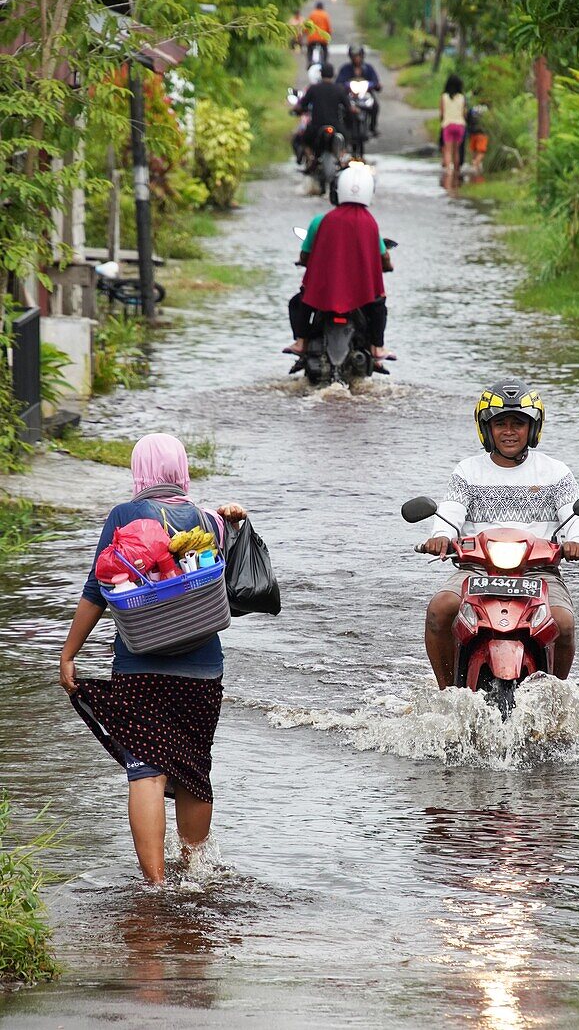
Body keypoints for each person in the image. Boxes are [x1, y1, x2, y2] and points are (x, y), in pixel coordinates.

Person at [59, 433, 248, 885]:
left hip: (139, 663)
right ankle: (195, 874)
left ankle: (157, 886)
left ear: (138, 471)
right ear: (181, 469)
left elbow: (96, 591)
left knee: (146, 768)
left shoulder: (124, 517)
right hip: (203, 669)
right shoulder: (211, 521)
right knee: (193, 770)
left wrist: (69, 654)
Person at [418, 379, 579, 689]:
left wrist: (577, 542)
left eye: (518, 423)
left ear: (532, 429)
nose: (509, 431)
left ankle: (554, 694)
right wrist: (441, 536)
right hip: (476, 568)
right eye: (500, 423)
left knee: (564, 623)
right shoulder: (468, 471)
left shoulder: (556, 472)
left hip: (539, 571)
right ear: (486, 429)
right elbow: (451, 512)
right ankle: (446, 693)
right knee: (440, 609)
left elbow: (574, 516)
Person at [283, 163, 395, 365]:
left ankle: (301, 342)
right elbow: (383, 257)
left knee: (301, 301)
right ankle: (377, 348)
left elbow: (306, 253)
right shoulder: (370, 223)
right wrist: (387, 266)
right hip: (361, 292)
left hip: (325, 289)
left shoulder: (324, 219)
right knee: (379, 307)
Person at [296, 62, 350, 165]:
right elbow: (349, 107)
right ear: (333, 74)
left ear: (321, 74)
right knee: (347, 138)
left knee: (303, 139)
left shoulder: (313, 88)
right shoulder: (339, 89)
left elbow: (303, 105)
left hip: (316, 126)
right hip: (335, 125)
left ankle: (310, 159)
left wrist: (299, 110)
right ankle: (342, 157)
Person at [336, 45, 381, 135]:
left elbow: (375, 80)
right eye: (354, 56)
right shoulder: (345, 69)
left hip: (365, 94)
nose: (356, 58)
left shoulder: (368, 68)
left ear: (362, 56)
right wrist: (344, 86)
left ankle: (372, 127)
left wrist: (376, 85)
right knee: (343, 108)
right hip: (350, 96)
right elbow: (339, 82)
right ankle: (346, 127)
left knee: (375, 106)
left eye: (358, 55)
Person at [439, 74, 466, 182]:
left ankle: (448, 173)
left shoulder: (444, 97)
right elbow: (464, 113)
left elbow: (441, 113)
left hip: (448, 125)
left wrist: (442, 122)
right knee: (456, 151)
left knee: (448, 151)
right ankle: (456, 172)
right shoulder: (462, 97)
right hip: (460, 125)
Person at [306, 1, 332, 65]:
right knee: (325, 49)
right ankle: (325, 62)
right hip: (322, 38)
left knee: (309, 49)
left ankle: (309, 61)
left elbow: (307, 26)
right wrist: (329, 35)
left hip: (312, 38)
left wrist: (306, 33)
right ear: (322, 7)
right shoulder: (325, 15)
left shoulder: (312, 14)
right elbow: (329, 28)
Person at [466, 102, 489, 173]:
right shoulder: (486, 109)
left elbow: (467, 119)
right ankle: (475, 164)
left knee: (474, 150)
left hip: (472, 133)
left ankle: (476, 165)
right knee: (481, 151)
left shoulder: (472, 108)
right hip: (482, 133)